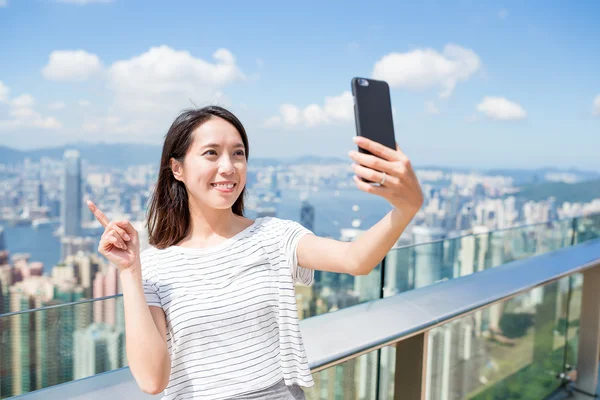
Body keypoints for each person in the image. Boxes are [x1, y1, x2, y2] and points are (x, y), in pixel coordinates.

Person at [87, 105, 423, 400]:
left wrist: (406, 208)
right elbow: (151, 380)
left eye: (238, 153)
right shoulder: (158, 266)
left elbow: (356, 259)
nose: (229, 167)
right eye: (211, 153)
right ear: (177, 169)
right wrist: (131, 271)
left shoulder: (273, 236)